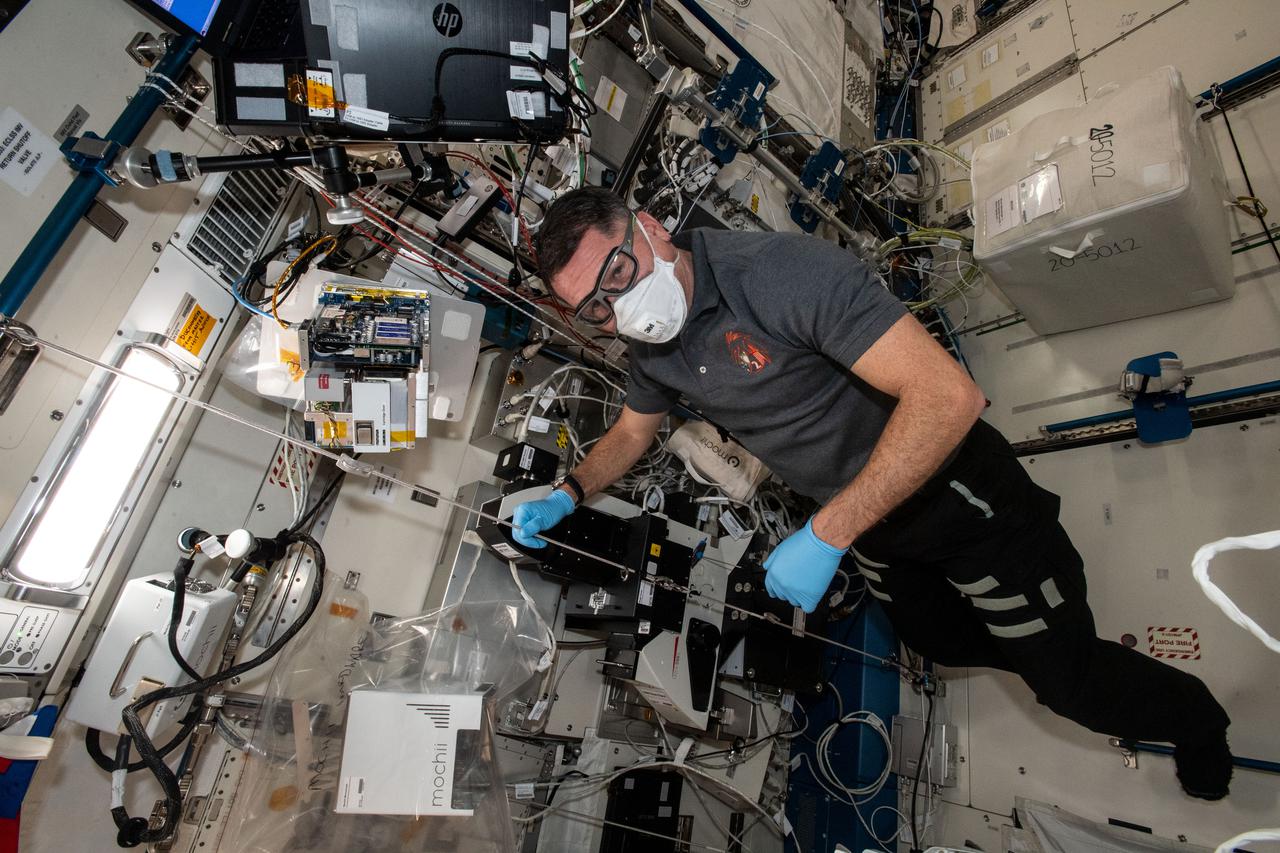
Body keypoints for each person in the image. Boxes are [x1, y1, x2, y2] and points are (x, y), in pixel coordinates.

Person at [511, 187, 1233, 800]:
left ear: (649, 227)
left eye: (618, 272)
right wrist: (569, 491)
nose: (620, 307)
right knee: (933, 636)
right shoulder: (653, 346)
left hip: (956, 496)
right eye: (595, 308)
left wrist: (826, 534)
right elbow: (634, 431)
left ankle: (1197, 718)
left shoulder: (780, 275)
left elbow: (948, 397)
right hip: (871, 525)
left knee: (1067, 683)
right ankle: (1034, 638)